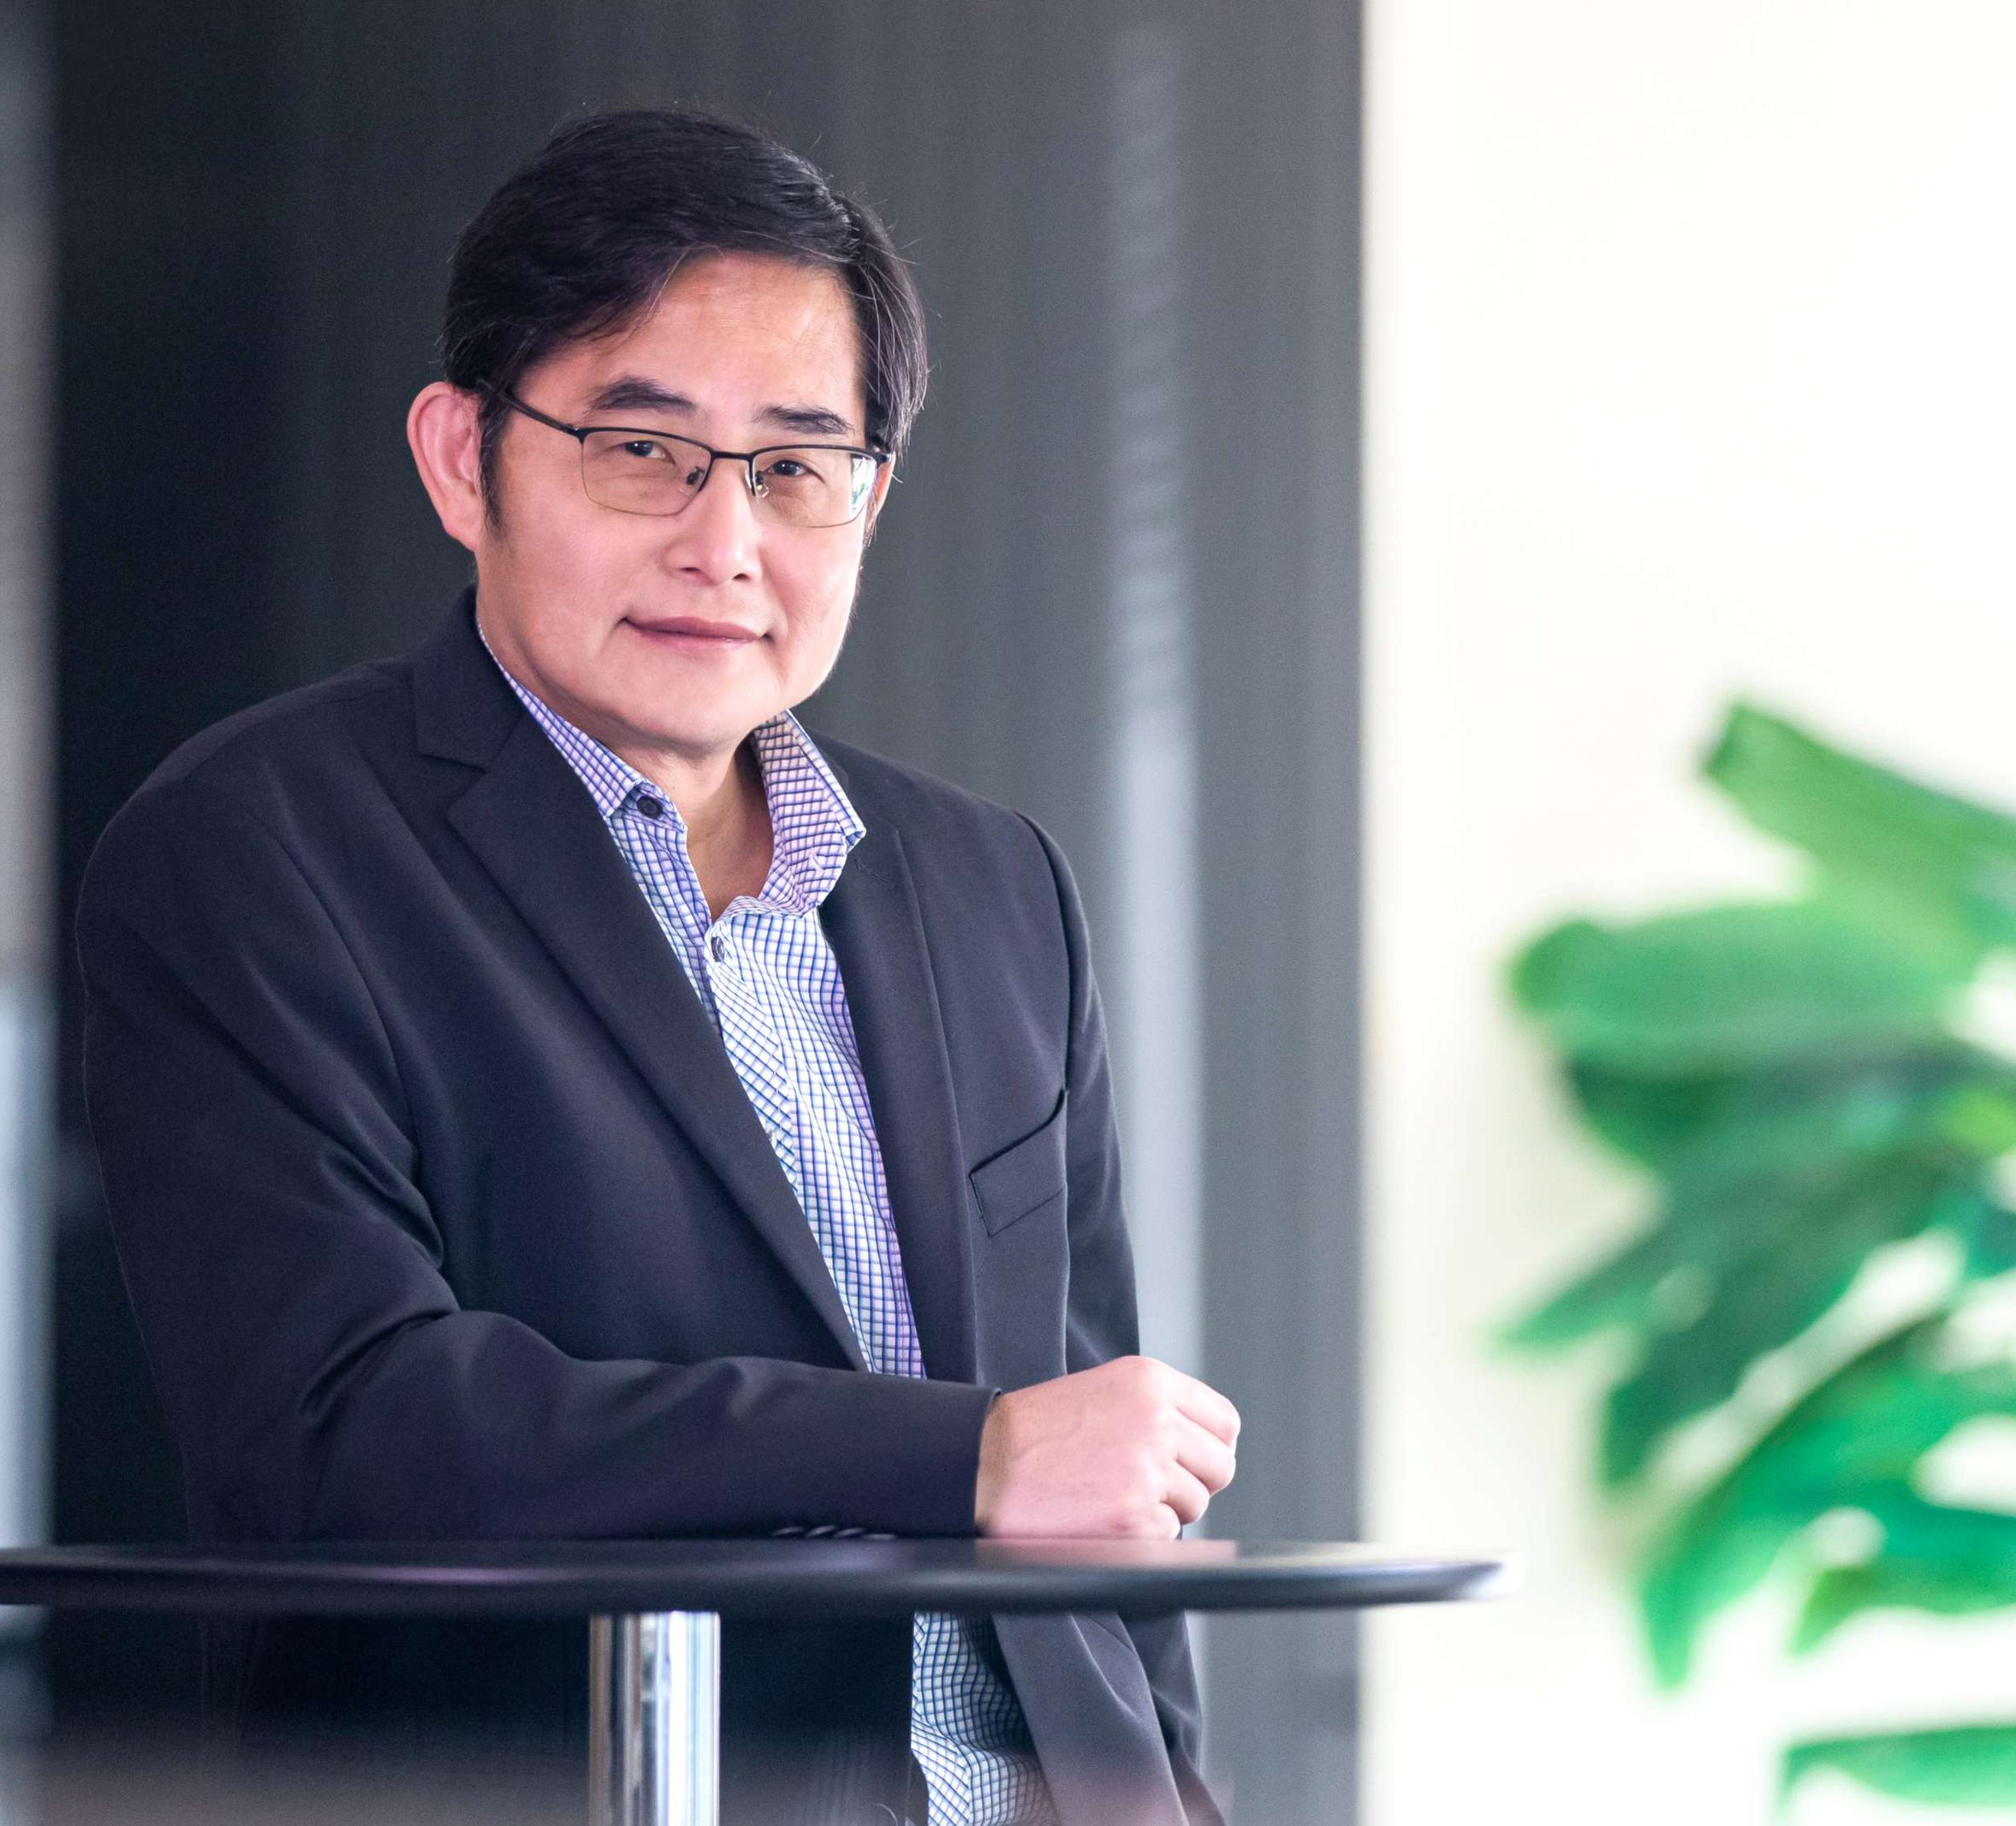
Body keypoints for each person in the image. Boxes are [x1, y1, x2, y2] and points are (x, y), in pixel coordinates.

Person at [74, 106, 1235, 1826]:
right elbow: (341, 1424)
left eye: (796, 467)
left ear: (869, 497)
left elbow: (1102, 1482)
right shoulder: (258, 848)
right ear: (463, 458)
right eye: (644, 450)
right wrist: (957, 1453)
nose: (726, 544)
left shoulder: (998, 886)